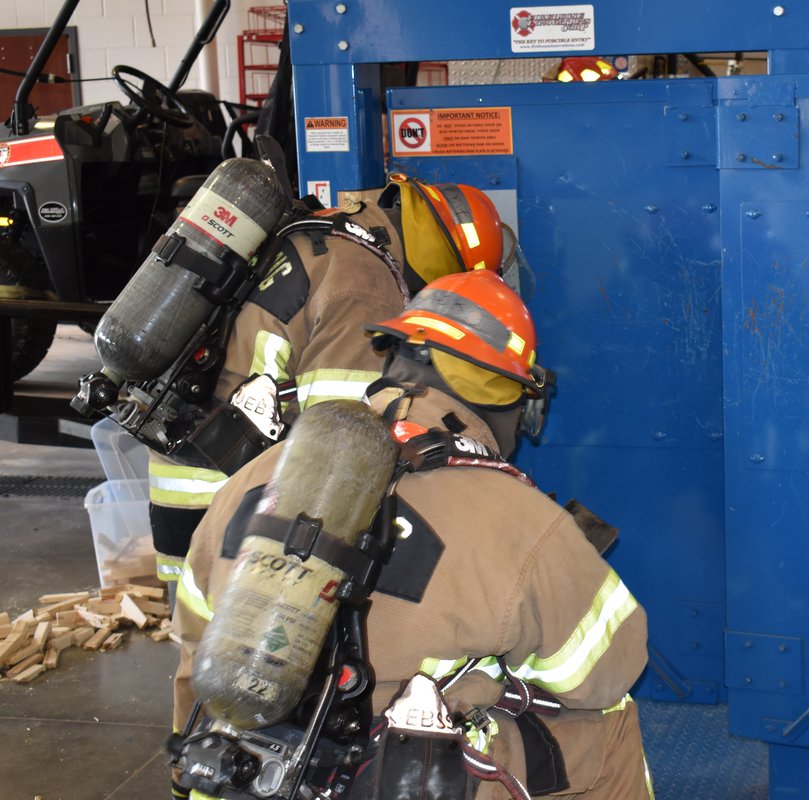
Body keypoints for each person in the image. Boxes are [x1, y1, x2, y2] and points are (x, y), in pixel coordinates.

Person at [172, 269, 654, 799]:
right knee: (607, 721)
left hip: (238, 774)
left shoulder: (256, 477)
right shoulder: (519, 519)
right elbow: (608, 669)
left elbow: (194, 643)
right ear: (504, 393)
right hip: (386, 779)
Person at [148, 174, 506, 588]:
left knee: (194, 634)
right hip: (231, 508)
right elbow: (339, 436)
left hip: (186, 474)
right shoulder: (368, 285)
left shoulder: (329, 233)